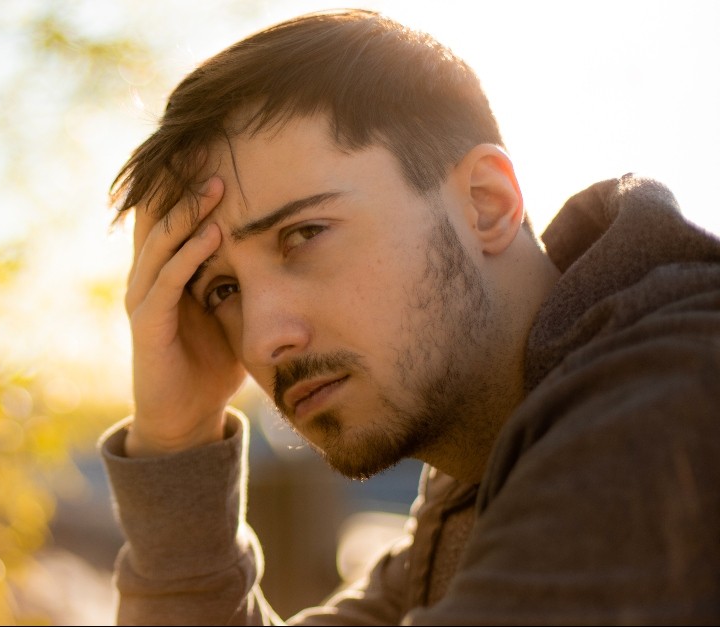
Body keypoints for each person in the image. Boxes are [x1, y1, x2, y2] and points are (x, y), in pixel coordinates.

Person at [97, 9, 720, 625]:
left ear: (485, 203)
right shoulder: (468, 489)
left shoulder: (668, 406)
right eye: (223, 290)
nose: (263, 341)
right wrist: (176, 438)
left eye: (304, 233)